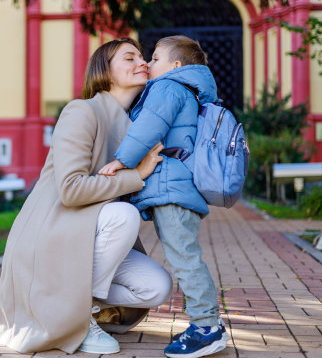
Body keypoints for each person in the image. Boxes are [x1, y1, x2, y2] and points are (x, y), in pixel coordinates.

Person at [0, 38, 173, 355]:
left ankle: (77, 305)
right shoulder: (81, 111)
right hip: (54, 233)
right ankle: (81, 318)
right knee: (123, 217)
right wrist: (136, 176)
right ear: (106, 71)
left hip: (93, 236)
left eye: (143, 57)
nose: (141, 62)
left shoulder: (137, 128)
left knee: (157, 287)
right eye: (129, 57)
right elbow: (71, 189)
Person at [98, 35, 228, 358]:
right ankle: (206, 322)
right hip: (174, 189)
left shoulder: (167, 88)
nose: (148, 63)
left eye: (154, 58)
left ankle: (207, 327)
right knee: (184, 255)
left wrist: (121, 160)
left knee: (184, 258)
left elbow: (148, 128)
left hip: (171, 190)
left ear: (176, 66)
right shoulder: (186, 91)